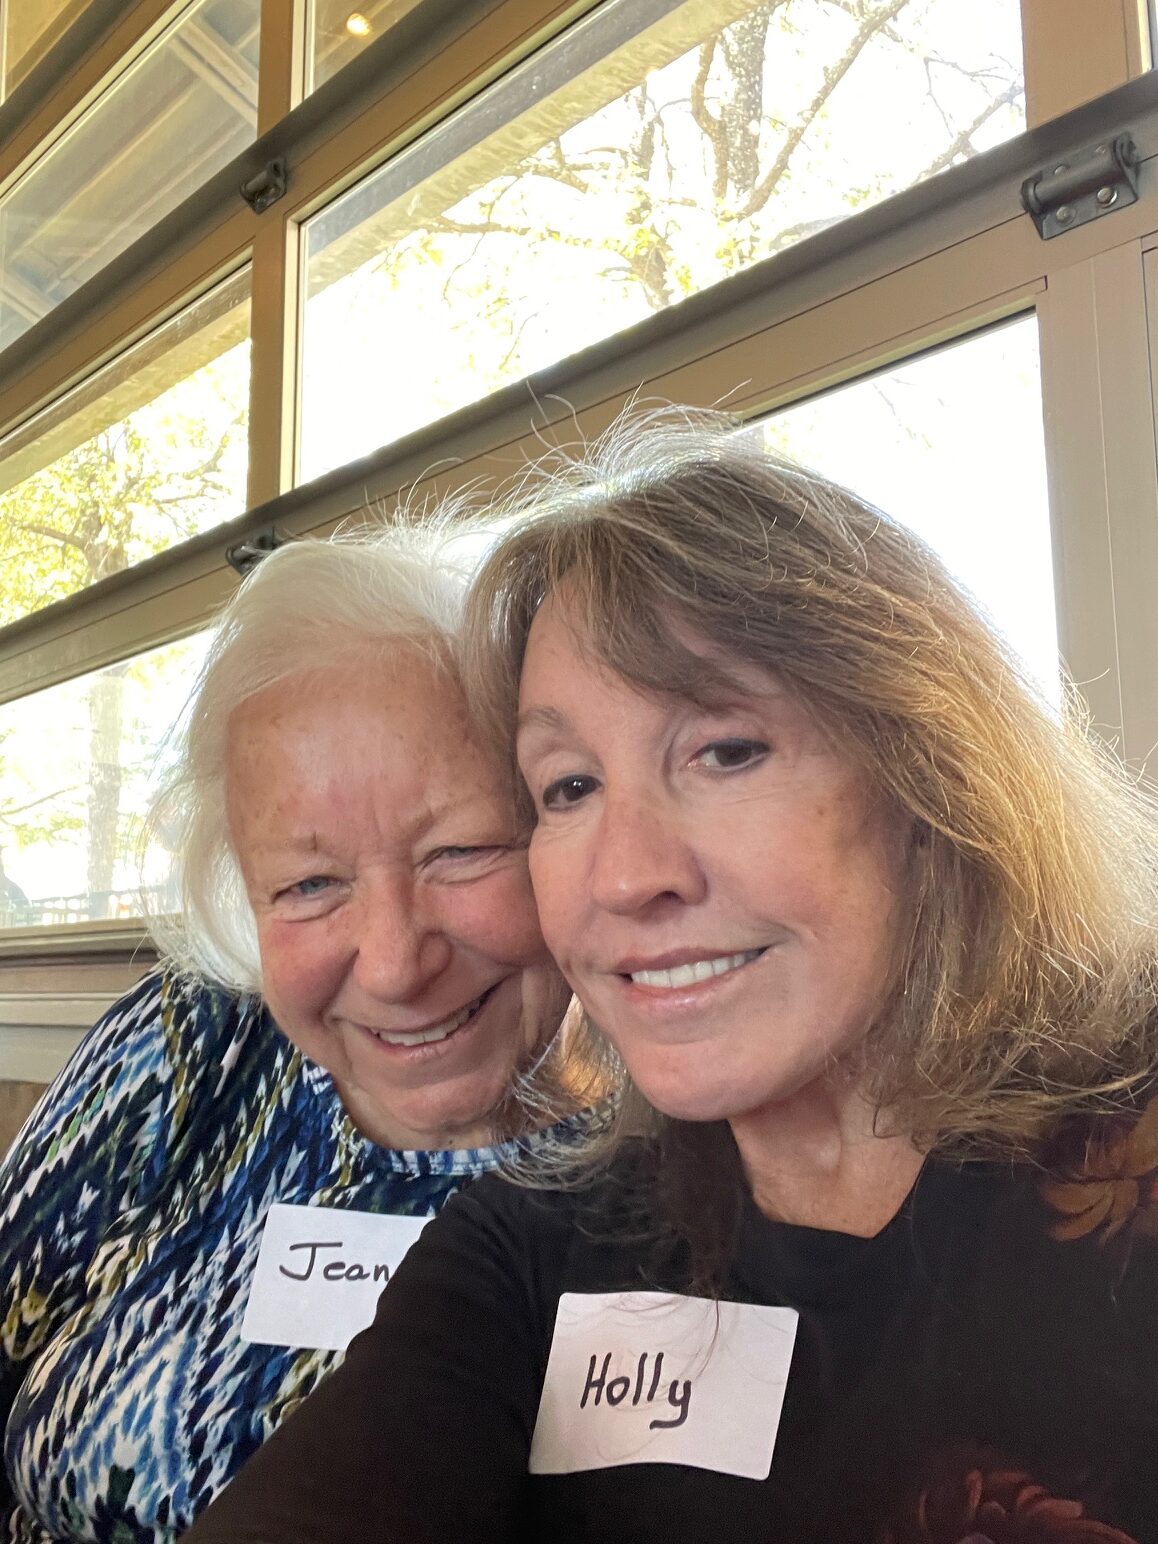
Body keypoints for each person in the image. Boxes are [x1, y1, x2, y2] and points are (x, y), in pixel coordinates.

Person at [184, 411, 1158, 1544]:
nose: (624, 874)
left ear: (929, 771)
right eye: (568, 786)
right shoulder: (533, 1243)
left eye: (725, 750)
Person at [0, 521, 592, 1543]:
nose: (396, 963)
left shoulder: (671, 1164)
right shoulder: (191, 1045)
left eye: (460, 850)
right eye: (310, 884)